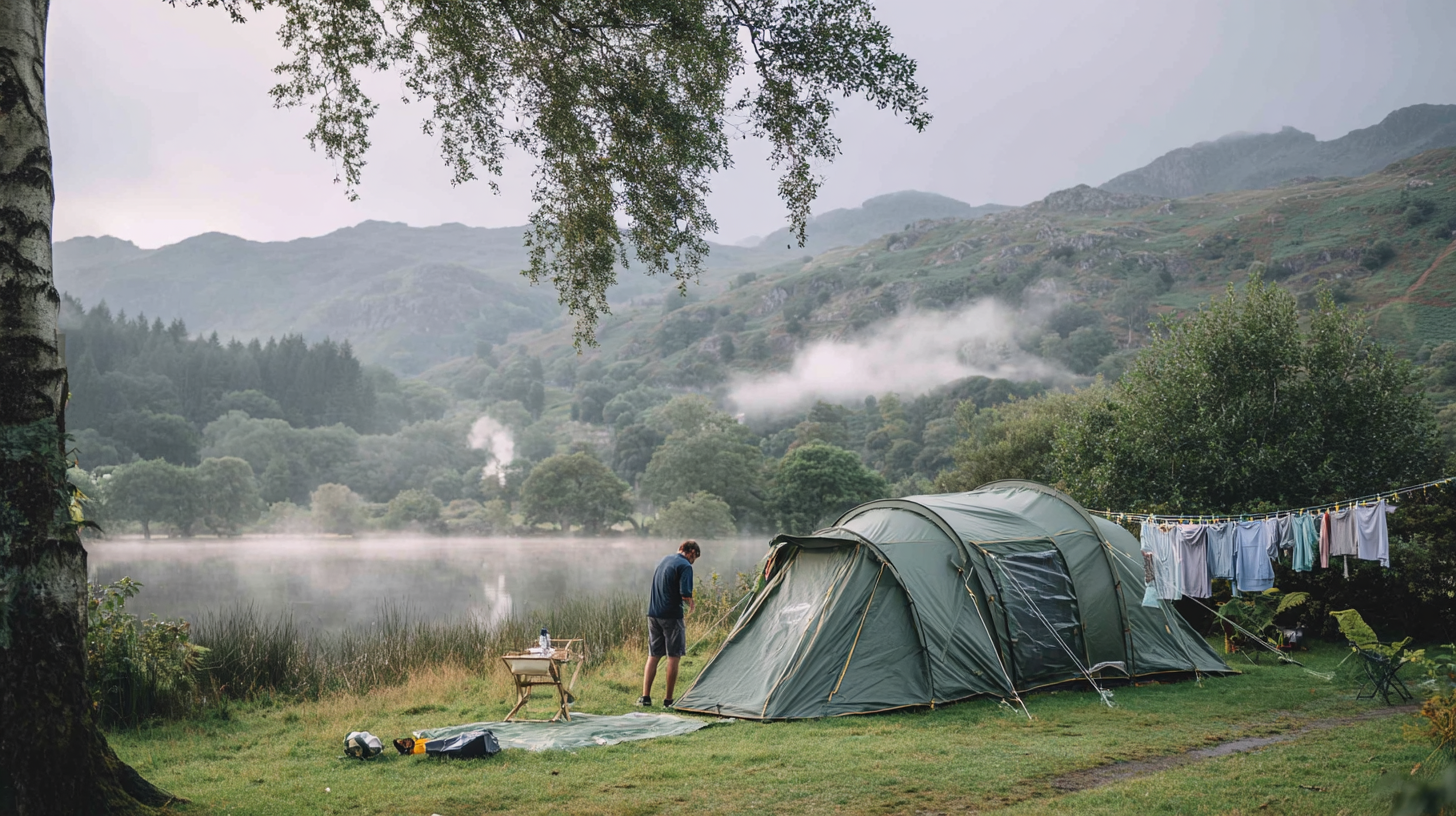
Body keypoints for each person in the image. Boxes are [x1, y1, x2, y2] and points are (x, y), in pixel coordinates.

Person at [639, 539, 700, 708]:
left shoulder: (664, 560)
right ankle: (668, 700)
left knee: (653, 655)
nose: (693, 561)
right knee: (674, 656)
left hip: (653, 613)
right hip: (671, 616)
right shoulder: (685, 565)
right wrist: (692, 605)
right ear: (692, 552)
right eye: (695, 557)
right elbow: (685, 593)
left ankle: (645, 698)